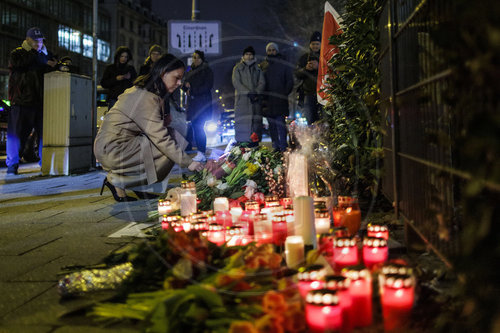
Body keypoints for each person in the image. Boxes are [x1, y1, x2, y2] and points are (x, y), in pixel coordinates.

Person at [94, 54, 204, 202]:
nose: (179, 83)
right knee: (170, 145)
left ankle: (134, 187)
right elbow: (160, 138)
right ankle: (117, 181)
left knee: (171, 136)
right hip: (114, 148)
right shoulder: (145, 98)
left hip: (114, 145)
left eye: (181, 79)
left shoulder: (147, 92)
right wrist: (189, 163)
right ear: (163, 73)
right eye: (176, 78)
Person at [6, 27, 57, 175]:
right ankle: (13, 164)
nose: (38, 44)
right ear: (27, 40)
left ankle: (45, 165)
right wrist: (42, 58)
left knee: (44, 136)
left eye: (41, 41)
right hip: (21, 102)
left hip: (41, 102)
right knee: (16, 135)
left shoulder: (45, 55)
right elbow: (22, 63)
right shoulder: (18, 53)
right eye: (35, 41)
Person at [259, 42, 294, 152]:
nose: (271, 52)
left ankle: (283, 147)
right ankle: (275, 146)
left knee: (281, 126)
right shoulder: (263, 65)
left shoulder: (284, 64)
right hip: (268, 101)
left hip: (280, 100)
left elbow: (289, 81)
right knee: (272, 126)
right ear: (266, 52)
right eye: (269, 50)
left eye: (273, 50)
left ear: (277, 51)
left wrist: (284, 93)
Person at [183, 50, 214, 161]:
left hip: (202, 104)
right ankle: (200, 152)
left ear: (202, 59)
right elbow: (184, 84)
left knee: (199, 127)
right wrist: (185, 86)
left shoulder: (207, 70)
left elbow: (208, 86)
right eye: (194, 57)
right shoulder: (190, 70)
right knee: (196, 128)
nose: (195, 59)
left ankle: (201, 152)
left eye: (198, 57)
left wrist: (193, 90)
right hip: (193, 104)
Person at [232, 46, 265, 146]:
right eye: (247, 54)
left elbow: (262, 82)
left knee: (255, 125)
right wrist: (247, 92)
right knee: (242, 124)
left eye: (250, 54)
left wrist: (256, 92)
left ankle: (254, 147)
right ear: (243, 56)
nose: (249, 56)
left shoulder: (258, 68)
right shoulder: (237, 68)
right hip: (242, 102)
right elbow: (236, 82)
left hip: (255, 101)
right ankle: (242, 148)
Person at [296, 31, 321, 125]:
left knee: (323, 121)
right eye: (313, 44)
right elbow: (297, 74)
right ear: (310, 45)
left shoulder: (325, 57)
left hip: (323, 94)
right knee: (310, 120)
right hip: (308, 94)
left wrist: (319, 67)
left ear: (321, 44)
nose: (315, 46)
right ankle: (312, 139)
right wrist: (305, 69)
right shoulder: (304, 58)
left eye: (317, 44)